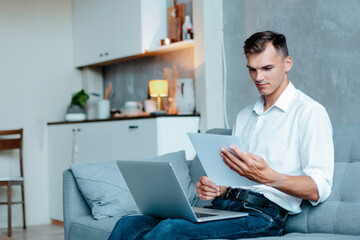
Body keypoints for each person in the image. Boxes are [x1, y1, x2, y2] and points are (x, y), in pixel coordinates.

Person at [108, 31, 334, 239]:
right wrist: (216, 187)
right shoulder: (245, 116)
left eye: (267, 68)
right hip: (222, 206)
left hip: (262, 215)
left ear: (287, 64)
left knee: (170, 231)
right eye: (252, 69)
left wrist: (270, 177)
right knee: (127, 225)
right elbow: (231, 179)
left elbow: (318, 188)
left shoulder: (309, 112)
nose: (258, 77)